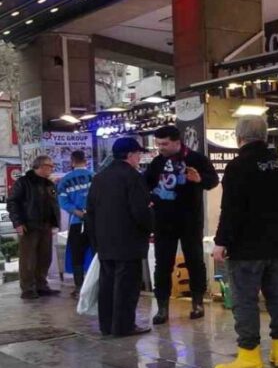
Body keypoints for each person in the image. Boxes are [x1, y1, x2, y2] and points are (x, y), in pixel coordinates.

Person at [211, 116, 278, 368]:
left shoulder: (239, 166)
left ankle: (249, 356)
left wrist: (221, 242)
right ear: (265, 136)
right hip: (277, 245)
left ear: (239, 137)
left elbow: (231, 210)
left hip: (246, 248)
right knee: (277, 296)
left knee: (245, 300)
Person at [145, 125, 219, 324]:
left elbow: (213, 181)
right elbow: (146, 184)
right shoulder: (157, 162)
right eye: (158, 143)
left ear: (177, 142)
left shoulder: (196, 159)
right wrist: (149, 198)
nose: (161, 147)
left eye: (165, 143)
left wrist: (199, 178)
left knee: (195, 261)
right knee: (162, 264)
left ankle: (197, 303)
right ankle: (162, 308)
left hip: (190, 219)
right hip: (163, 221)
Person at [84, 138, 153, 337]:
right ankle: (123, 326)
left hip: (105, 242)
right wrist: (150, 226)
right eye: (138, 154)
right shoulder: (132, 177)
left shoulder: (100, 177)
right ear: (130, 155)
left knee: (107, 286)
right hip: (128, 242)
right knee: (126, 287)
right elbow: (139, 210)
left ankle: (107, 325)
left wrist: (95, 240)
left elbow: (91, 211)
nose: (140, 157)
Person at [7, 156, 61, 299]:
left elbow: (54, 203)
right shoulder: (23, 182)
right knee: (28, 258)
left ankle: (41, 285)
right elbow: (12, 203)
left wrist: (55, 223)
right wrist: (18, 223)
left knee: (45, 257)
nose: (52, 169)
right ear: (41, 166)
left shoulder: (49, 184)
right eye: (50, 166)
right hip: (29, 225)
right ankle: (28, 288)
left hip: (46, 225)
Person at [58, 150, 94, 294]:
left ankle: (79, 287)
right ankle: (98, 284)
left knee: (77, 254)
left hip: (77, 221)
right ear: (86, 161)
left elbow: (63, 201)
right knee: (98, 252)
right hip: (95, 221)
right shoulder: (95, 176)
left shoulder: (64, 180)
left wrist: (76, 211)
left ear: (72, 162)